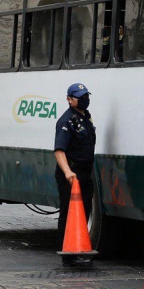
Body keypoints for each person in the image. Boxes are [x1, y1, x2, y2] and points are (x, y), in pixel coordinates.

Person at [54, 83, 96, 267]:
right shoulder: (67, 120)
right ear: (69, 99)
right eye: (80, 97)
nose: (84, 99)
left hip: (86, 173)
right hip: (71, 174)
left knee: (84, 211)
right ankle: (68, 253)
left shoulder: (86, 117)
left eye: (86, 96)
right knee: (69, 213)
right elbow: (59, 150)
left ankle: (79, 246)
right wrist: (67, 172)